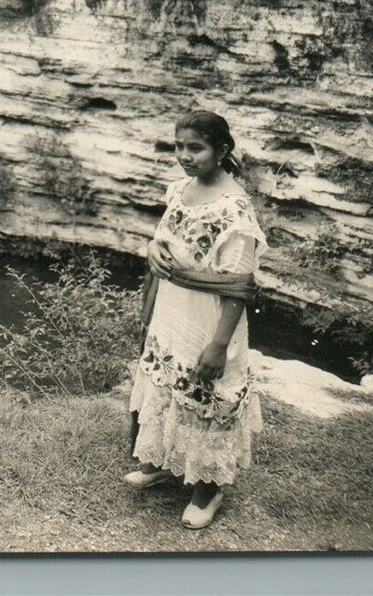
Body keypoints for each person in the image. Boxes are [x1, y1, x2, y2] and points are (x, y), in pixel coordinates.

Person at [123, 110, 267, 530]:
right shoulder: (181, 189)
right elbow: (165, 240)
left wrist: (219, 346)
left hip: (208, 319)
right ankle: (158, 464)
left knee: (207, 394)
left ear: (221, 151)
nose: (185, 156)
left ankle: (209, 489)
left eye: (196, 148)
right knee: (165, 380)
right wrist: (153, 249)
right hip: (172, 310)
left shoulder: (234, 211)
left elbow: (239, 285)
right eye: (179, 146)